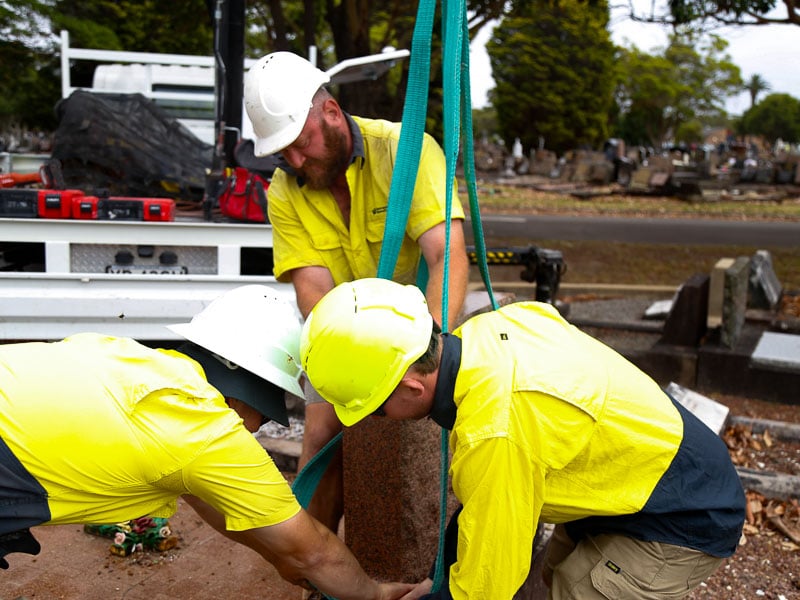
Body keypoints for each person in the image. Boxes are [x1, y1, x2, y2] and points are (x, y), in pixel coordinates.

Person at [298, 278, 747, 600]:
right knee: (556, 576)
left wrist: (443, 594)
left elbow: (486, 587)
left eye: (376, 407)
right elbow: (482, 516)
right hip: (635, 475)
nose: (380, 419)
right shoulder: (487, 331)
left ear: (413, 388)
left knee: (579, 590)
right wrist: (438, 582)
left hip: (685, 512)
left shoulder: (497, 428)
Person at [0, 284, 413, 600]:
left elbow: (210, 501)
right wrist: (373, 594)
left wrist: (277, 556)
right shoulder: (206, 429)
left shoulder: (131, 357)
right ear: (247, 387)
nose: (255, 429)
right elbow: (316, 553)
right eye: (265, 411)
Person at [243, 51, 470, 534]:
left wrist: (428, 350)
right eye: (283, 153)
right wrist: (340, 372)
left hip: (417, 333)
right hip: (344, 333)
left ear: (330, 113)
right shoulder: (285, 190)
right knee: (322, 430)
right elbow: (314, 290)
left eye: (301, 144)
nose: (295, 161)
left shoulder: (406, 153)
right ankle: (314, 559)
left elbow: (444, 259)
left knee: (448, 417)